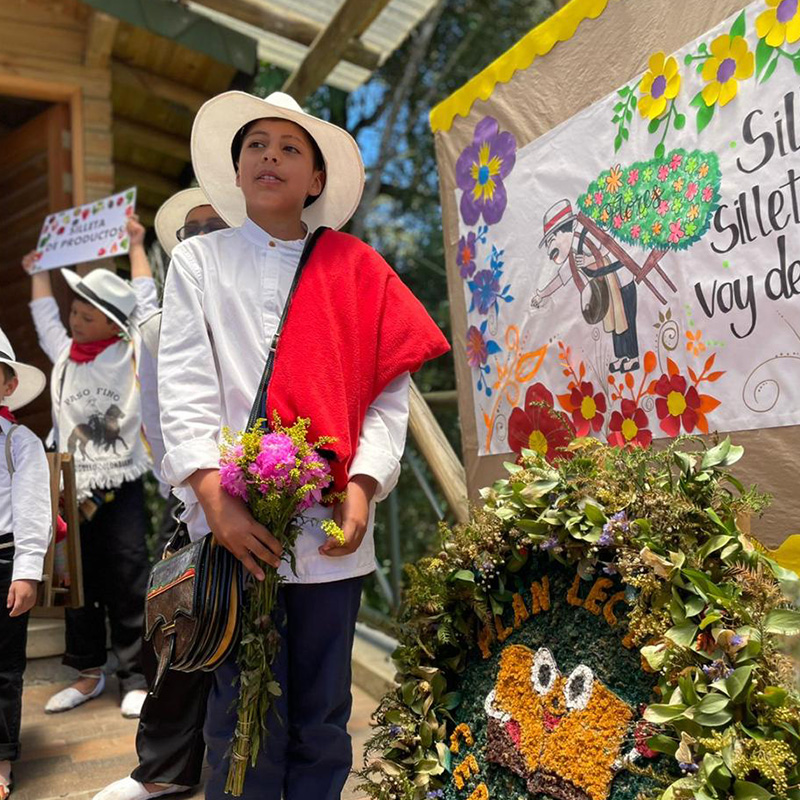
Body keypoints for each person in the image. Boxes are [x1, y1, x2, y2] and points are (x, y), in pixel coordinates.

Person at [157, 90, 450, 799]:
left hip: (330, 536)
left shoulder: (356, 268)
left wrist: (365, 484)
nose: (271, 157)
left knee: (322, 714)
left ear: (316, 179)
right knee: (238, 712)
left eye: (291, 148)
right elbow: (183, 383)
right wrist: (211, 497)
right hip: (233, 529)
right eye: (256, 144)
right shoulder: (200, 264)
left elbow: (387, 392)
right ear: (236, 168)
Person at [95, 188, 228, 800]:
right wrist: (194, 487)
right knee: (179, 637)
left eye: (213, 224)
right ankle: (164, 774)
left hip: (283, 503)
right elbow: (159, 416)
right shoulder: (155, 327)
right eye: (189, 230)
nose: (200, 236)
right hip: (197, 505)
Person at [22, 222, 157, 719]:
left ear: (113, 325)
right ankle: (87, 672)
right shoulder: (63, 357)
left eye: (85, 314)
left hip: (120, 483)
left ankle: (136, 674)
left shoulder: (133, 349)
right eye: (74, 312)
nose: (75, 320)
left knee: (126, 574)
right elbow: (43, 319)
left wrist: (138, 246)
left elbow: (143, 298)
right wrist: (38, 273)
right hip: (70, 484)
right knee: (74, 580)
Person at [0, 329, 51, 800]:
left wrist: (26, 570)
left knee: (3, 665)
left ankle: (1, 756)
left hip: (3, 558)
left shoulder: (19, 441)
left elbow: (33, 509)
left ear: (7, 385)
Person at [531, 199, 640, 373]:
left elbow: (608, 243)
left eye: (552, 239)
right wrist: (542, 294)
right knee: (614, 323)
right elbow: (561, 278)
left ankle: (632, 357)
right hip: (609, 291)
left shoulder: (586, 234)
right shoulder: (573, 256)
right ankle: (621, 357)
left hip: (622, 282)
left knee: (626, 320)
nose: (550, 248)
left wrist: (590, 259)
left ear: (567, 229)